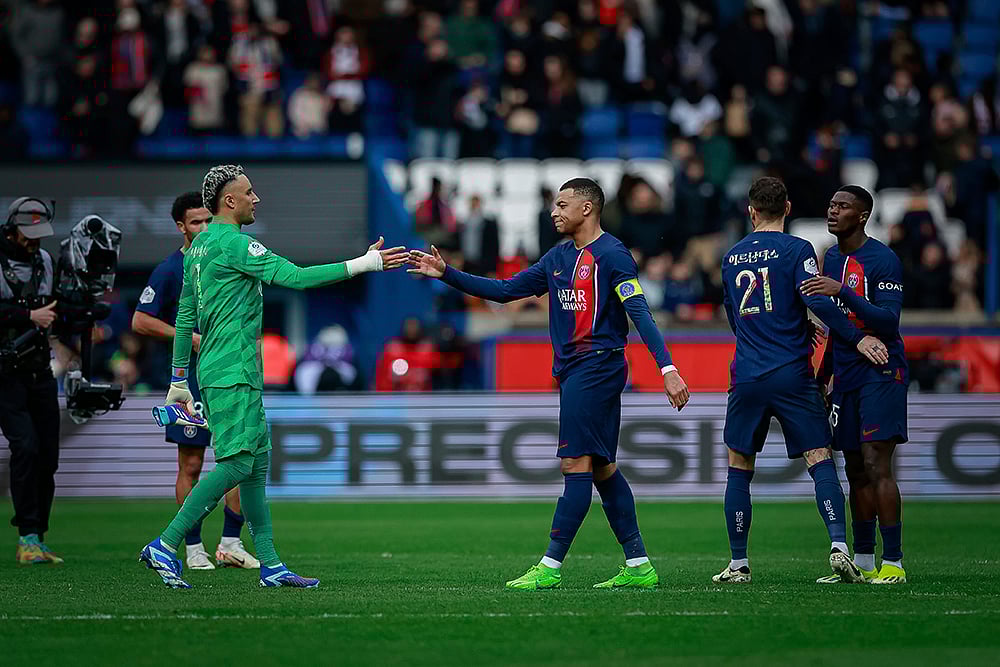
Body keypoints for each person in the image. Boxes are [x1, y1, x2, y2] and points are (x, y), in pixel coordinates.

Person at [408, 178, 690, 590]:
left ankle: (550, 566)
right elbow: (505, 291)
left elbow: (640, 313)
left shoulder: (613, 255)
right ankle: (639, 565)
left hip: (597, 366)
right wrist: (446, 273)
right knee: (603, 468)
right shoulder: (558, 257)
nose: (554, 212)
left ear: (587, 208)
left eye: (562, 204)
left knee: (574, 464)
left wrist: (667, 368)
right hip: (576, 370)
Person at [138, 165, 408, 588]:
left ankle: (270, 565)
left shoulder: (199, 247)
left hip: (224, 370)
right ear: (230, 201)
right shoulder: (235, 244)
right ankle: (166, 543)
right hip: (233, 372)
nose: (256, 199)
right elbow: (296, 278)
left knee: (256, 465)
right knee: (237, 464)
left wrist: (177, 379)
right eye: (249, 192)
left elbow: (186, 314)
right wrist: (366, 262)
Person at [713, 177, 889, 585]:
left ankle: (738, 563)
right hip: (792, 372)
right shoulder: (797, 249)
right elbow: (816, 300)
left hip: (747, 374)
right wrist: (858, 337)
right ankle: (839, 547)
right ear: (788, 208)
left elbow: (736, 317)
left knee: (739, 465)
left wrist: (768, 332)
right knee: (819, 457)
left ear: (751, 211)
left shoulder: (731, 256)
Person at [132, 191, 258, 571]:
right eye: (195, 222)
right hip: (191, 380)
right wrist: (189, 338)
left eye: (207, 220)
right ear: (181, 227)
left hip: (228, 373)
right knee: (191, 465)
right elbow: (140, 320)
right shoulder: (172, 269)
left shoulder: (223, 257)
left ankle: (231, 543)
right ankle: (192, 546)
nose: (203, 227)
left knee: (237, 458)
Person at [801, 185, 910, 585]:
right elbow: (837, 326)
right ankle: (863, 561)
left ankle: (893, 562)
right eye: (831, 205)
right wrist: (822, 375)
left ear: (862, 216)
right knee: (855, 468)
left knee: (876, 461)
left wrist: (841, 290)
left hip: (881, 372)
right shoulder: (831, 257)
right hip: (845, 375)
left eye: (843, 206)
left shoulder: (882, 259)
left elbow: (888, 322)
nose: (833, 211)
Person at [0, 198, 62, 564]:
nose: (34, 241)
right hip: (5, 375)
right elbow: (37, 313)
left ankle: (38, 536)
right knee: (25, 447)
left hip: (40, 370)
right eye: (28, 234)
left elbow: (55, 308)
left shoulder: (46, 261)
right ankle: (26, 536)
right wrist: (27, 316)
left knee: (48, 457)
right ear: (11, 230)